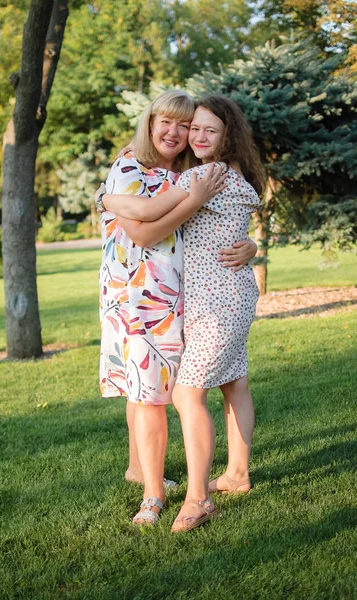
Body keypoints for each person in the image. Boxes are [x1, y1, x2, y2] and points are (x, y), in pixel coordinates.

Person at [102, 95, 265, 532]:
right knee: (235, 382)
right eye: (196, 129)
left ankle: (198, 498)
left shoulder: (200, 174)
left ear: (227, 136)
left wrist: (106, 199)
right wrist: (251, 247)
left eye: (208, 130)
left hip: (213, 300)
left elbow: (145, 212)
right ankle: (236, 474)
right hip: (223, 295)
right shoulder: (232, 176)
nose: (195, 136)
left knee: (185, 394)